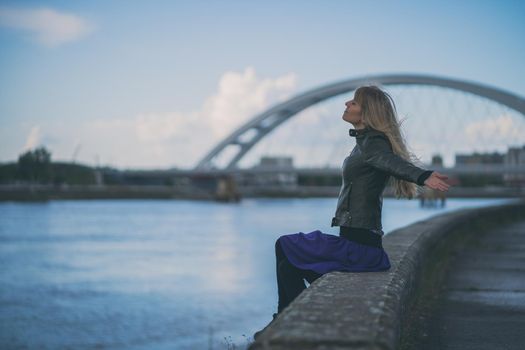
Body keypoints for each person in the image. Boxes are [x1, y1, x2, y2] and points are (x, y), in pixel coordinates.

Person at [253, 85, 451, 340]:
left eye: (354, 103)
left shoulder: (373, 143)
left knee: (285, 246)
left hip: (361, 250)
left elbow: (390, 162)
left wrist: (422, 176)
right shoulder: (362, 144)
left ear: (367, 111)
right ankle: (286, 321)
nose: (347, 104)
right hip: (353, 242)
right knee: (288, 263)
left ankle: (283, 321)